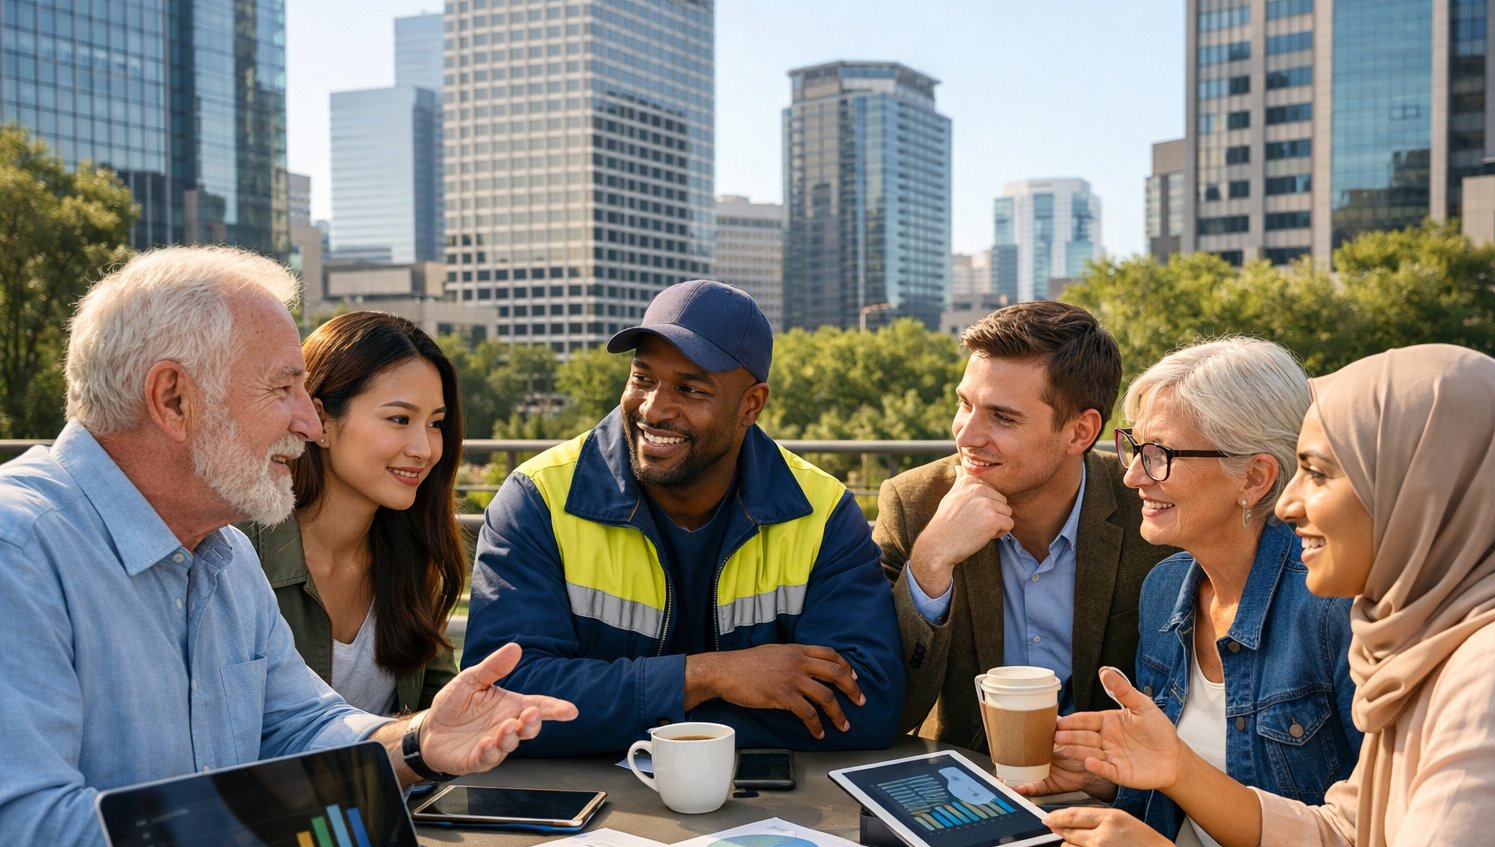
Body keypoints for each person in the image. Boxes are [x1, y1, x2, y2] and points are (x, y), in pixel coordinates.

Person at [0, 247, 576, 847]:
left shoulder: (223, 556)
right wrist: (282, 832)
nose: (309, 423)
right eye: (282, 390)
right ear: (172, 398)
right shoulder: (20, 550)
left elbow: (304, 726)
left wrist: (419, 742)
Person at [1040, 345, 1495, 847]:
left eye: (1320, 473)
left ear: (1418, 485)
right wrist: (1158, 770)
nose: (1291, 504)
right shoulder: (1429, 641)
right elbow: (1347, 840)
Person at [465, 279, 903, 754]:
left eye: (690, 389)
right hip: (587, 807)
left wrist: (612, 713)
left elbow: (867, 707)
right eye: (642, 379)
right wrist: (712, 676)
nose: (653, 409)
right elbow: (499, 700)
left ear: (751, 405)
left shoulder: (822, 512)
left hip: (761, 814)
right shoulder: (539, 498)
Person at [1020, 339, 1361, 847]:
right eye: (1135, 447)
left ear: (1254, 476)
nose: (1133, 475)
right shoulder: (1164, 589)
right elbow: (1173, 790)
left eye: (1160, 455)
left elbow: (1369, 841)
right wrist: (1106, 778)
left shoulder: (1335, 609)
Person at [872, 301, 1170, 750]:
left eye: (1002, 417)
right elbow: (884, 711)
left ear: (1079, 432)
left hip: (1113, 792)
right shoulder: (914, 507)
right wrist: (930, 562)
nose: (967, 436)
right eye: (964, 404)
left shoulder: (1149, 511)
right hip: (970, 786)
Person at [240, 312, 463, 715]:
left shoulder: (409, 554)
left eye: (435, 423)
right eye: (400, 419)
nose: (424, 448)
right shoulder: (239, 555)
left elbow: (436, 712)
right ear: (320, 420)